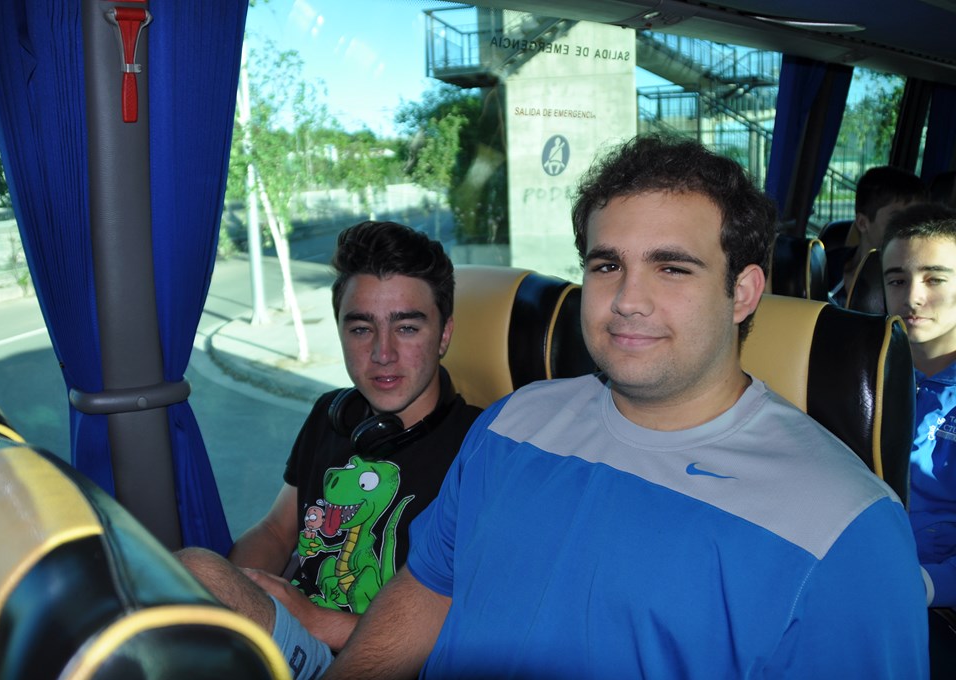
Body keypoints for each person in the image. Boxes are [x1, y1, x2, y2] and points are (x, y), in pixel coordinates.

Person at [323, 136, 928, 679]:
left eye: (672, 268)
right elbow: (428, 588)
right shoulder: (511, 423)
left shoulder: (845, 528)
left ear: (742, 293)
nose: (628, 300)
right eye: (607, 265)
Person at [178, 221, 482, 679]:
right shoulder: (331, 414)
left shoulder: (481, 447)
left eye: (406, 327)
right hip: (296, 636)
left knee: (196, 567)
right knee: (186, 578)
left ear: (443, 335)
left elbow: (473, 628)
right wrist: (241, 591)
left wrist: (317, 621)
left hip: (379, 661)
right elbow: (278, 531)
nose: (382, 353)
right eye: (361, 329)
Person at [881, 202, 956, 673]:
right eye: (896, 280)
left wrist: (925, 585)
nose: (912, 297)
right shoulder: (859, 376)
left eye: (935, 279)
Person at [829, 166, 926, 304]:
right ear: (863, 223)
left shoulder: (921, 285)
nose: (911, 227)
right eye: (896, 218)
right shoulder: (823, 271)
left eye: (917, 218)